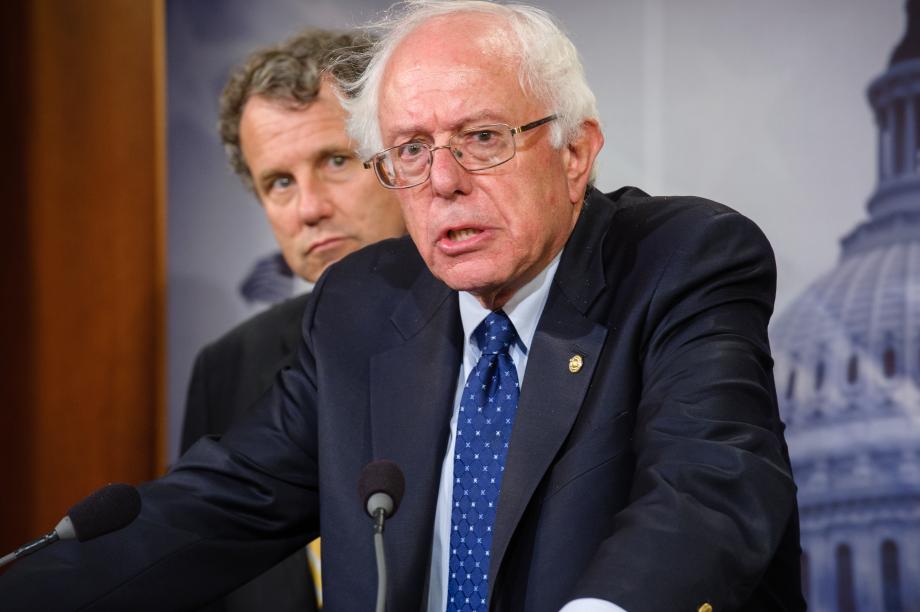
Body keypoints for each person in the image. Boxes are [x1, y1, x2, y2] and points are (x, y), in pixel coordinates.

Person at [0, 2, 804, 611]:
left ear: (575, 152)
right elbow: (222, 504)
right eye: (411, 151)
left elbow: (709, 487)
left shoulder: (681, 260)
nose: (443, 181)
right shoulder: (362, 303)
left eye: (483, 137)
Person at [180, 28, 406, 612]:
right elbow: (204, 569)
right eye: (279, 182)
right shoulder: (229, 366)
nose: (309, 208)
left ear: (400, 159)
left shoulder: (499, 332)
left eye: (335, 161)